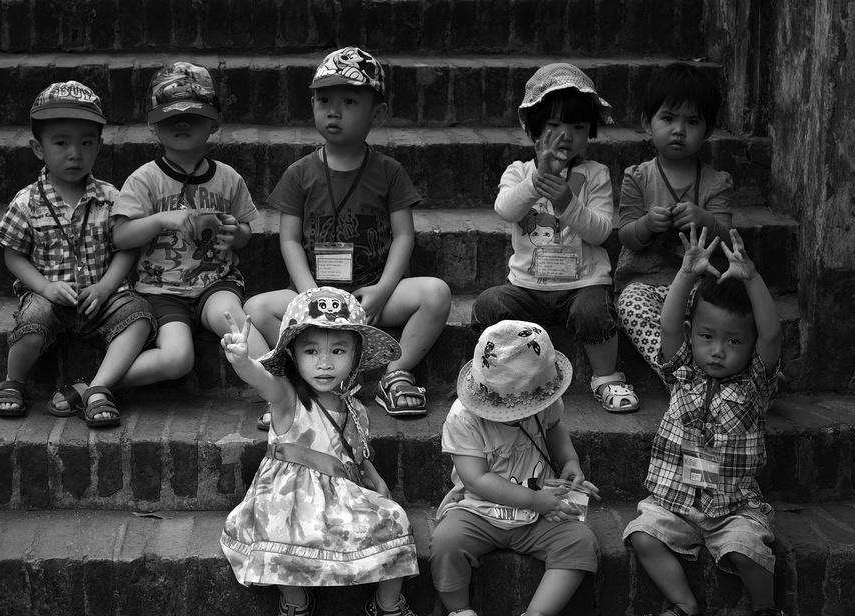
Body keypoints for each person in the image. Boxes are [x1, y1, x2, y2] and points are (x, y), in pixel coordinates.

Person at [245, 46, 451, 427]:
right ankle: (289, 386)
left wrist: (384, 290)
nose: (333, 111)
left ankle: (395, 373)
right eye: (324, 100)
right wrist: (310, 296)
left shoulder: (389, 171)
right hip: (311, 295)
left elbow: (404, 236)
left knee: (436, 293)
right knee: (253, 310)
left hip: (370, 296)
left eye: (349, 101)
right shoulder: (299, 173)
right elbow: (289, 240)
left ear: (378, 114)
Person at [220, 286, 432, 616]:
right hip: (288, 498)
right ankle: (295, 602)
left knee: (396, 520)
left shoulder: (354, 408)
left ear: (355, 356)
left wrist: (375, 477)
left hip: (340, 494)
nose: (324, 363)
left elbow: (356, 453)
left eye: (338, 351)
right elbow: (261, 380)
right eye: (311, 351)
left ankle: (387, 605)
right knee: (276, 533)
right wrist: (242, 361)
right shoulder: (286, 397)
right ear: (293, 355)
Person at [623, 224, 787, 616]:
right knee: (642, 534)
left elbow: (772, 333)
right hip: (674, 501)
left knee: (746, 548)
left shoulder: (755, 383)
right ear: (692, 334)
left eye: (734, 341)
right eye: (707, 337)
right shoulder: (682, 371)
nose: (717, 350)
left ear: (751, 346)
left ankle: (767, 610)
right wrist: (686, 274)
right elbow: (668, 324)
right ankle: (686, 608)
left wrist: (752, 278)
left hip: (733, 506)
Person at [471, 62, 638, 414]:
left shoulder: (595, 174)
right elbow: (506, 210)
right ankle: (505, 373)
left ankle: (606, 377)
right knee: (489, 304)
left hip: (583, 285)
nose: (566, 135)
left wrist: (566, 202)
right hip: (528, 289)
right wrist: (536, 182)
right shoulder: (519, 171)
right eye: (554, 125)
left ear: (590, 131)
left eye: (577, 127)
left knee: (594, 312)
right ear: (534, 129)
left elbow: (601, 231)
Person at [431, 319, 600, 616]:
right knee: (446, 542)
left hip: (538, 511)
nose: (519, 415)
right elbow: (477, 480)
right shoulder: (463, 418)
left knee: (580, 542)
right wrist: (535, 501)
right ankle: (460, 614)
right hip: (478, 509)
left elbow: (555, 430)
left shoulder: (545, 398)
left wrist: (570, 462)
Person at [0, 81, 155, 426]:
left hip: (101, 298)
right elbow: (13, 255)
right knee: (32, 322)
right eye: (61, 143)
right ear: (38, 148)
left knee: (139, 316)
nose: (75, 153)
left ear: (99, 146)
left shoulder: (111, 198)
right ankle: (13, 381)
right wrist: (45, 287)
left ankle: (99, 389)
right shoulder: (27, 202)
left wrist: (106, 287)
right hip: (49, 297)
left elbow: (125, 248)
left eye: (86, 143)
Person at [111, 61, 268, 391]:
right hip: (161, 292)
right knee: (177, 358)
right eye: (170, 116)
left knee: (233, 320)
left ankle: (278, 391)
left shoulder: (228, 178)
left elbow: (245, 234)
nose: (181, 122)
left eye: (194, 115)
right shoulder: (144, 180)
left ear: (215, 122)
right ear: (152, 124)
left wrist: (235, 232)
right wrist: (160, 219)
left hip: (216, 283)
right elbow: (121, 237)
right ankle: (99, 386)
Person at [615, 62, 733, 380]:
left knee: (732, 302)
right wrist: (646, 225)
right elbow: (626, 235)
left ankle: (733, 368)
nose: (679, 130)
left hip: (699, 286)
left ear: (708, 130)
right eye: (668, 119)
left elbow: (728, 241)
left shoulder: (716, 183)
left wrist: (705, 219)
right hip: (647, 285)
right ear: (647, 123)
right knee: (629, 304)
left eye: (692, 122)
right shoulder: (638, 178)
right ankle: (679, 375)